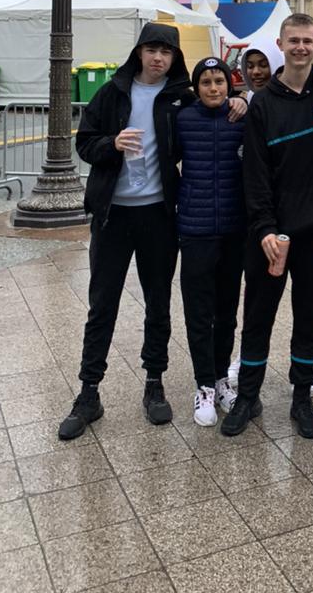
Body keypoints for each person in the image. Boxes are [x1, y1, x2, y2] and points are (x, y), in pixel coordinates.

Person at [58, 23, 192, 440]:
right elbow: (84, 142)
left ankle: (154, 381)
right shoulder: (112, 92)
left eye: (166, 52)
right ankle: (89, 392)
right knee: (102, 304)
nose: (158, 58)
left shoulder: (180, 98)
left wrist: (238, 102)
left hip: (158, 215)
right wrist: (111, 144)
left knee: (158, 302)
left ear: (174, 58)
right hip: (112, 215)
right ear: (139, 52)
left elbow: (214, 110)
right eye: (151, 50)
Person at [221, 13, 313, 440]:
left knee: (308, 316)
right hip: (270, 232)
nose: (300, 47)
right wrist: (264, 229)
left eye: (307, 40)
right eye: (293, 40)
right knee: (258, 315)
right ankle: (248, 396)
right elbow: (255, 175)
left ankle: (301, 397)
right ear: (281, 44)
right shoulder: (263, 103)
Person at [176, 57, 246, 426]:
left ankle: (221, 378)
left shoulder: (240, 117)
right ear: (196, 87)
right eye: (206, 82)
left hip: (234, 229)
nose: (214, 88)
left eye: (219, 81)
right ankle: (203, 384)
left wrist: (245, 101)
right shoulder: (184, 119)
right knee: (198, 313)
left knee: (227, 312)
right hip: (196, 229)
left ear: (229, 85)